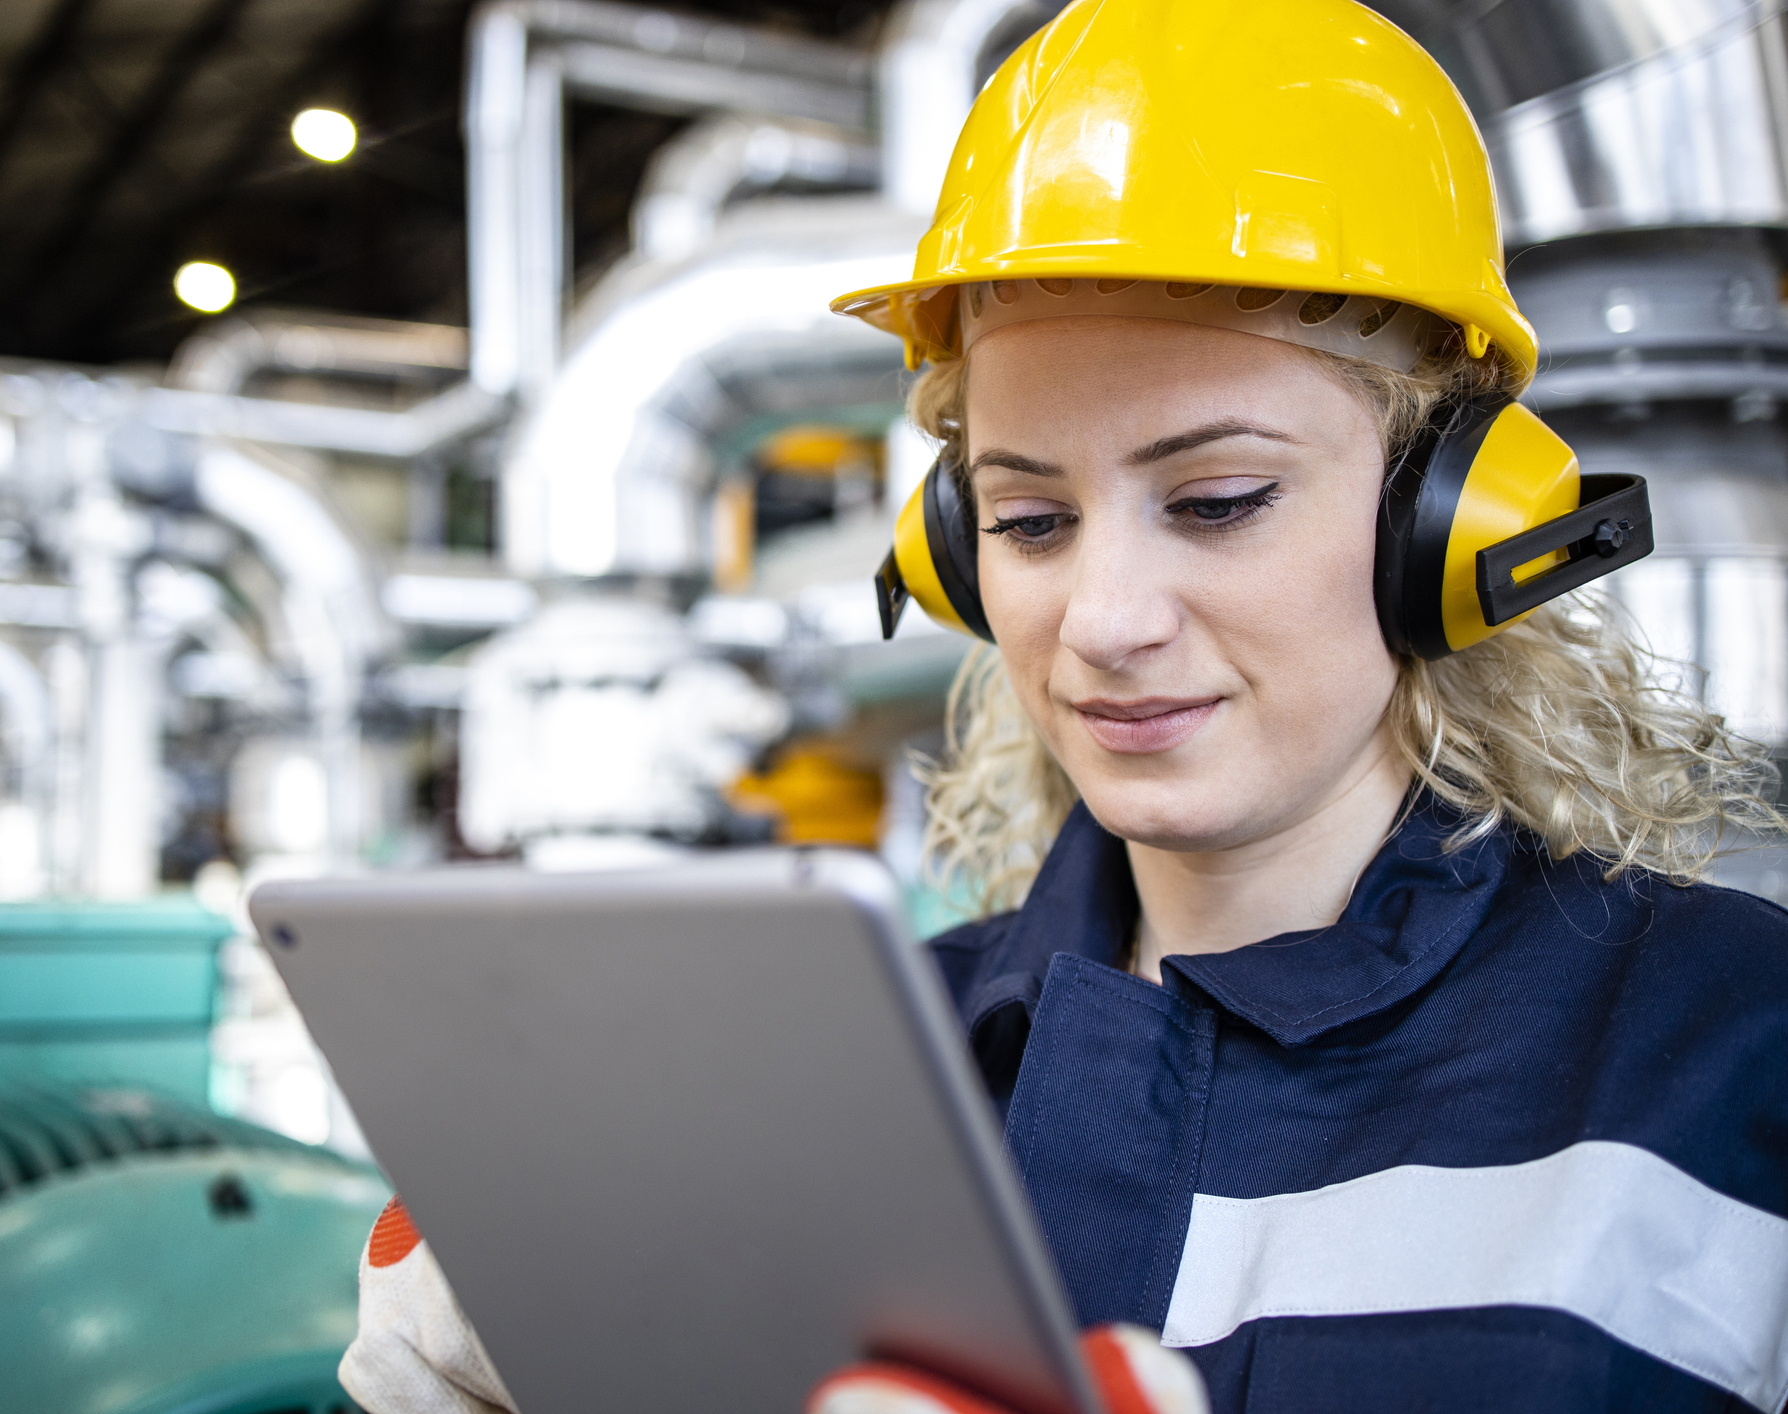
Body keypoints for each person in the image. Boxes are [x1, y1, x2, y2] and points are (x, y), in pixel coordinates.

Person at [337, 1, 1788, 1411]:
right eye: (1029, 520)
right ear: (952, 556)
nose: (1101, 622)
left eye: (1216, 501)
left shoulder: (1724, 1038)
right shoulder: (857, 1064)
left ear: (1454, 522)